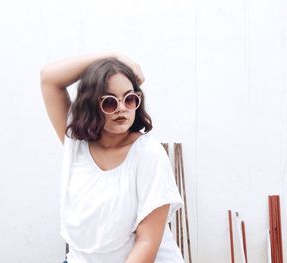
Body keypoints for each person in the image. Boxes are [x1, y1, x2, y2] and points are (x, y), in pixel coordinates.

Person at [40, 52, 185, 263]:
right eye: (109, 102)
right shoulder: (77, 145)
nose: (121, 109)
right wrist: (113, 56)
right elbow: (49, 78)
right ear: (91, 104)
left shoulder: (148, 155)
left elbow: (146, 243)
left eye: (130, 99)